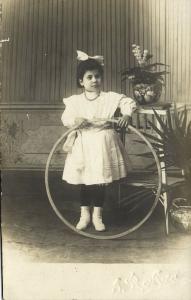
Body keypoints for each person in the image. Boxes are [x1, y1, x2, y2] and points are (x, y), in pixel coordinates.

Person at [61, 50, 136, 232]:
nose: (94, 80)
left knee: (100, 181)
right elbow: (66, 117)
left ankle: (97, 215)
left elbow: (128, 102)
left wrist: (126, 114)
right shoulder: (76, 101)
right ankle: (84, 214)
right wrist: (76, 120)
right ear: (81, 81)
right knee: (86, 180)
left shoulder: (109, 98)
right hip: (85, 143)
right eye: (89, 77)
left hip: (103, 142)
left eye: (97, 76)